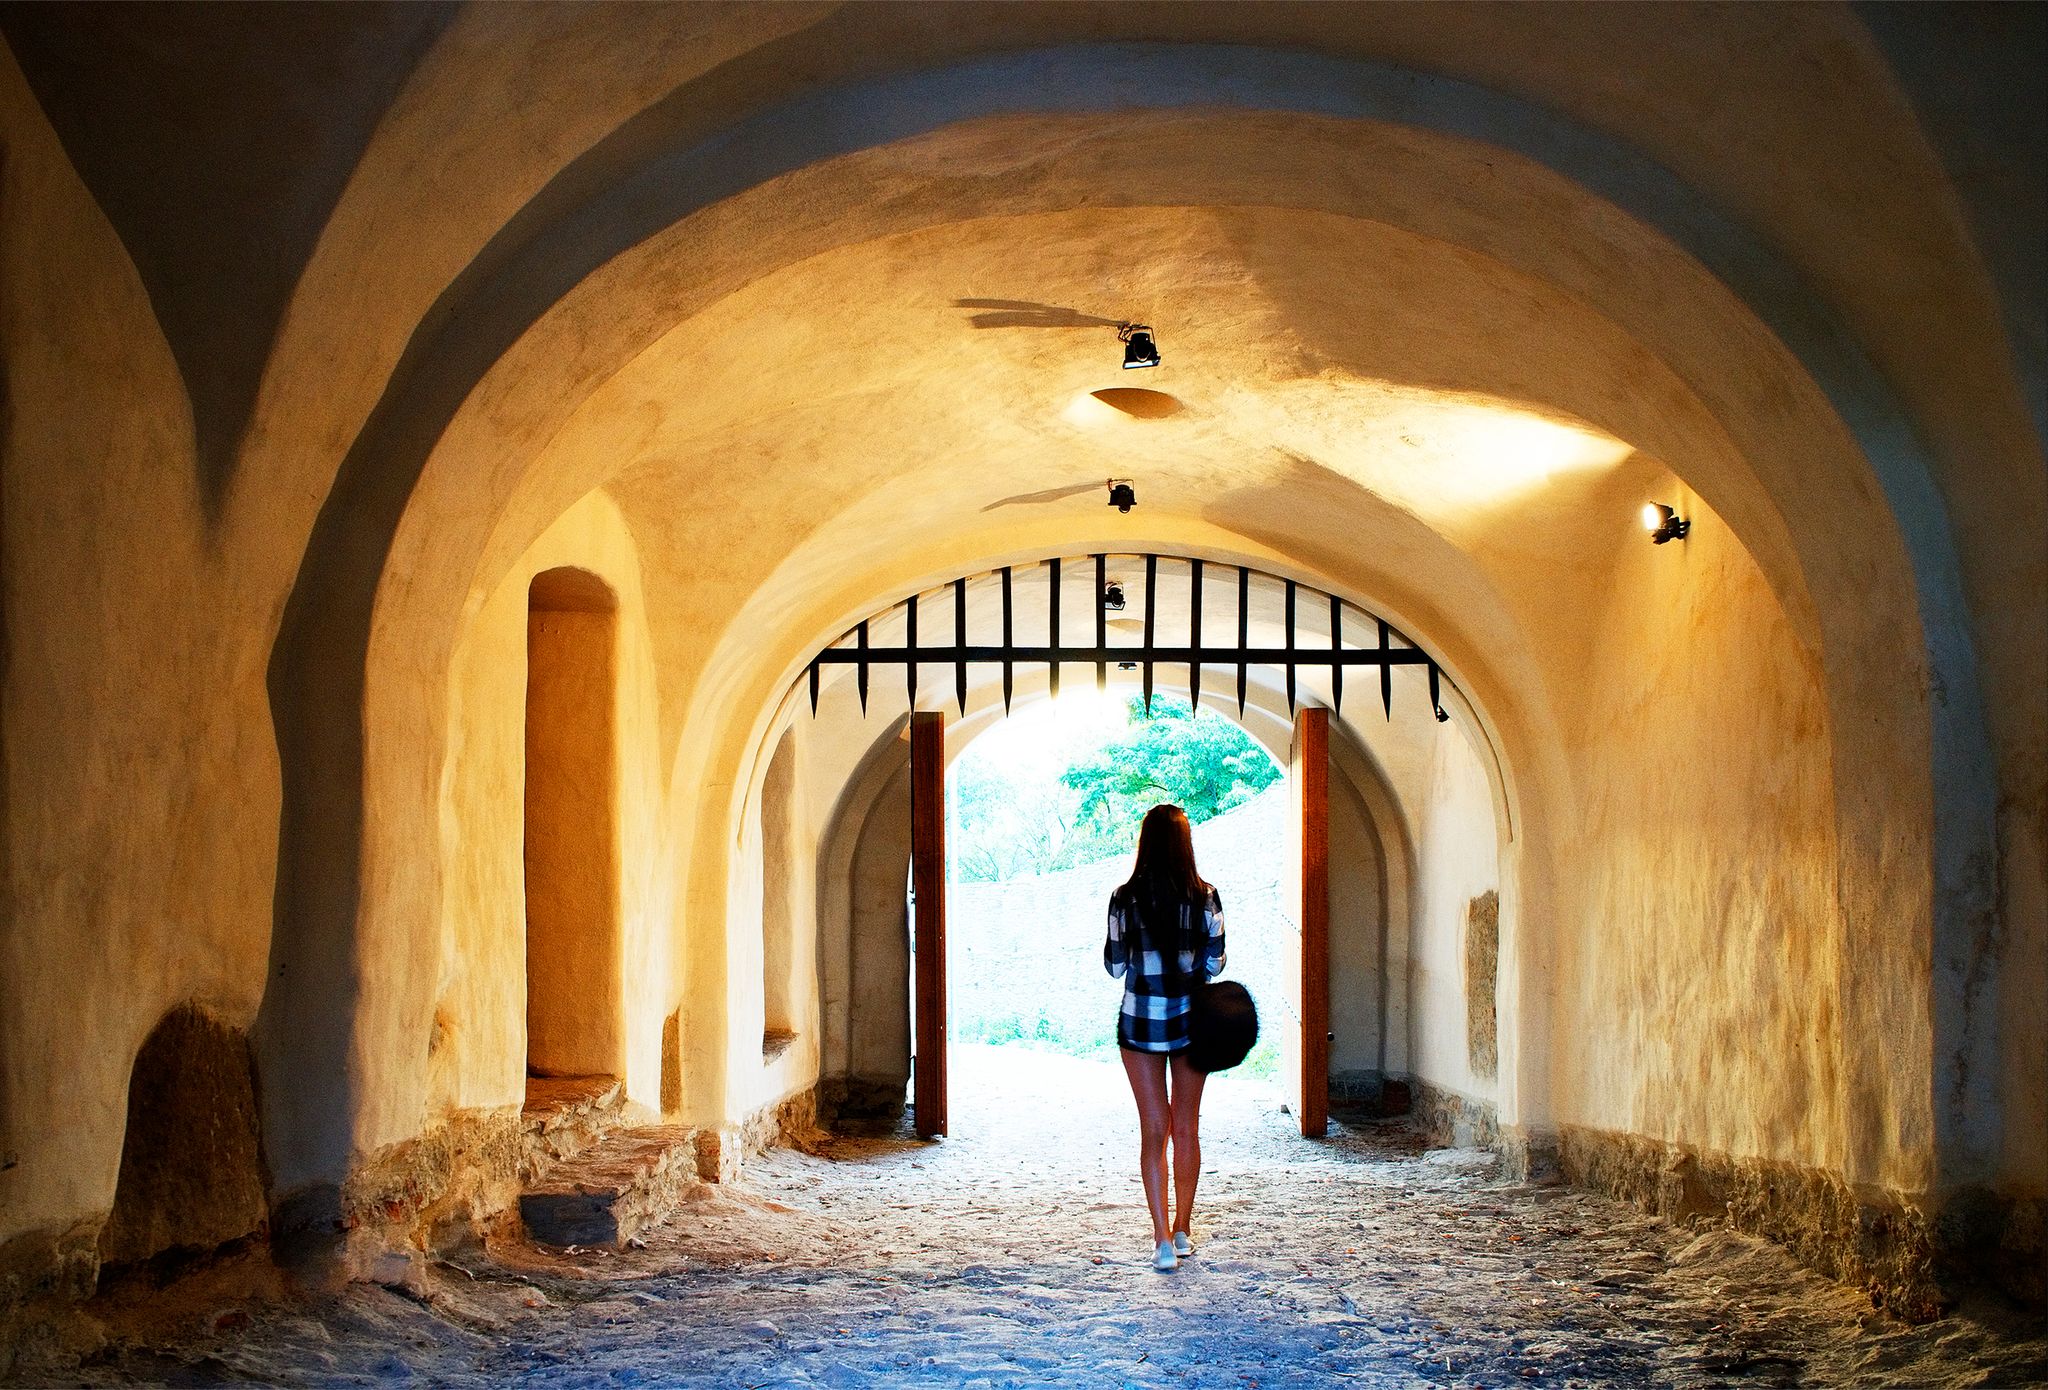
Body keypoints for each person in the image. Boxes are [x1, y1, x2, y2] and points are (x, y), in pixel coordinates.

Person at [1103, 802, 1226, 1271]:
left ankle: (1160, 1242)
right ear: (1185, 843)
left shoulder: (1123, 897)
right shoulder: (1206, 896)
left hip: (1140, 1023)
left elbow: (1115, 967)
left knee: (1153, 1129)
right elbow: (1216, 963)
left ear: (1145, 843)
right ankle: (1184, 1228)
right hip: (1193, 1023)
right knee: (1186, 1126)